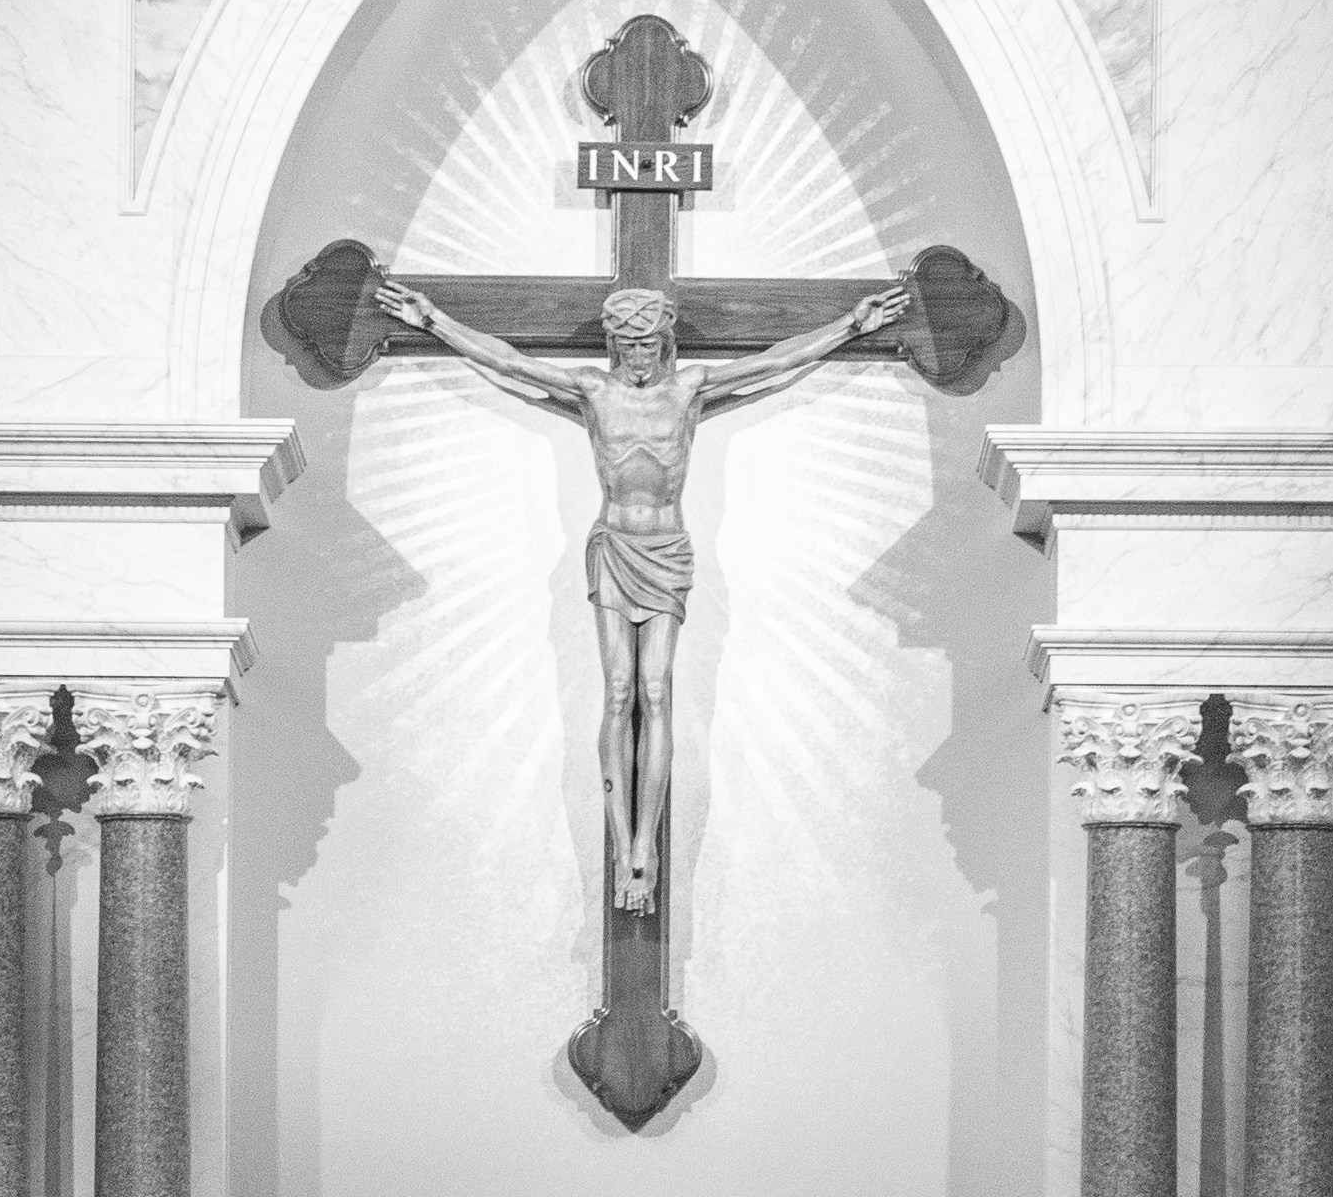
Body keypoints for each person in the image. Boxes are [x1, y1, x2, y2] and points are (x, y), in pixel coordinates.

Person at [371, 260, 922, 912]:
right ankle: (621, 838)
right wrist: (435, 321)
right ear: (613, 345)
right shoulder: (592, 390)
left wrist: (850, 326)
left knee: (657, 690)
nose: (638, 357)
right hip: (613, 546)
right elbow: (510, 363)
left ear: (665, 342)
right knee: (618, 690)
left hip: (666, 549)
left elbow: (775, 362)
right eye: (628, 346)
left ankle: (646, 846)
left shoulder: (689, 389)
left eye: (648, 345)